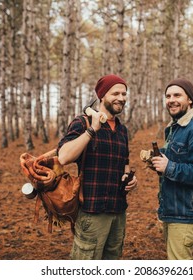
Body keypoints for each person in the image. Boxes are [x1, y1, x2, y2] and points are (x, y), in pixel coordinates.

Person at [57, 74, 138, 260]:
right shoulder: (83, 122)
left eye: (124, 93)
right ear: (102, 96)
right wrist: (92, 130)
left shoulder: (122, 130)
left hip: (118, 211)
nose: (121, 98)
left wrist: (130, 179)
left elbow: (124, 163)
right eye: (115, 93)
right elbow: (63, 156)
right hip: (92, 212)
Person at [151, 77, 193, 260]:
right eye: (168, 95)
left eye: (177, 95)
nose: (171, 99)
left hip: (185, 212)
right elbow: (179, 159)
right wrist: (157, 160)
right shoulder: (177, 127)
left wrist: (169, 166)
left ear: (189, 99)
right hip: (173, 208)